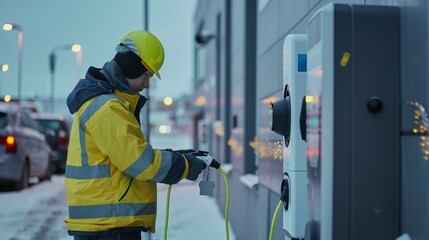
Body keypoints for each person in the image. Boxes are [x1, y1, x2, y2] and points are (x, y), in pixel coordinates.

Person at [64, 30, 206, 240]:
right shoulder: (107, 108)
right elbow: (139, 161)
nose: (147, 84)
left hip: (107, 224)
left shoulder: (107, 104)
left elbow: (126, 154)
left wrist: (177, 156)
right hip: (110, 228)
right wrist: (183, 165)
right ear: (132, 65)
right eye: (147, 75)